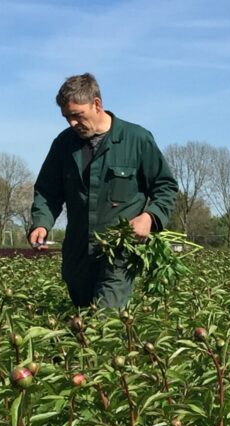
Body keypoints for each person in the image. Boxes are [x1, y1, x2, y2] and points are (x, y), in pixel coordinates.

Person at [29, 73, 178, 311]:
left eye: (77, 115)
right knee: (81, 315)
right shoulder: (63, 144)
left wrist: (149, 217)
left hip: (118, 252)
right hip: (77, 254)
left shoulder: (136, 139)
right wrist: (41, 223)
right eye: (67, 117)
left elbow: (165, 186)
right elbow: (48, 191)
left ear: (97, 104)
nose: (72, 123)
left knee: (104, 321)